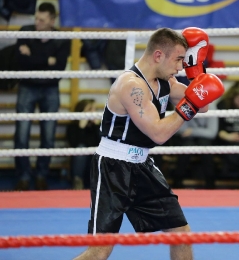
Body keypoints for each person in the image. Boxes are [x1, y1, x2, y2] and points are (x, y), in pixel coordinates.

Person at [73, 27, 225, 260]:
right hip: (114, 167)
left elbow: (201, 102)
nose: (179, 67)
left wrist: (196, 70)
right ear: (158, 55)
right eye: (178, 60)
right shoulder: (131, 86)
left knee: (181, 234)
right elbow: (159, 133)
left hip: (142, 165)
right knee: (100, 249)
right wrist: (189, 106)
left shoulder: (165, 81)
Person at [14, 2, 71, 191]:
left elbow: (59, 68)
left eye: (42, 20)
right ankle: (23, 176)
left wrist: (33, 57)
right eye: (36, 18)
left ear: (52, 21)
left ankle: (41, 176)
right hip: (27, 86)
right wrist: (47, 59)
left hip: (50, 88)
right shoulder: (26, 30)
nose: (37, 22)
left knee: (48, 135)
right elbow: (20, 62)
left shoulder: (61, 38)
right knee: (21, 134)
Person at [171, 101, 218, 189]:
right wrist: (200, 131)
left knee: (205, 145)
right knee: (187, 146)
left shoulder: (211, 106)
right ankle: (177, 182)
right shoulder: (182, 104)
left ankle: (210, 183)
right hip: (185, 139)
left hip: (203, 138)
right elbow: (181, 130)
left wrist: (192, 131)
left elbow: (212, 133)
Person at [66, 99, 100, 190]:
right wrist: (81, 128)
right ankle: (77, 181)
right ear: (81, 111)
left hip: (94, 164)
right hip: (80, 164)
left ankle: (100, 182)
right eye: (90, 109)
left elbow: (102, 143)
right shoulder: (73, 126)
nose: (93, 112)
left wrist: (96, 126)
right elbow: (74, 143)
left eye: (94, 109)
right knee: (81, 147)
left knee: (99, 150)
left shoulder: (98, 126)